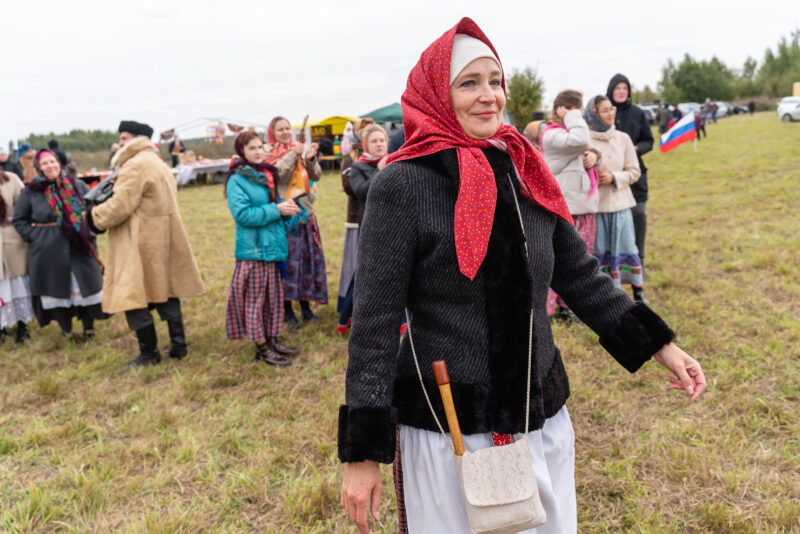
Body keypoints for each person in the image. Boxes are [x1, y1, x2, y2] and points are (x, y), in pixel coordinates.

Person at [339, 19, 706, 534]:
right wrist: (363, 452)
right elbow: (374, 325)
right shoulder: (402, 184)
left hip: (540, 418)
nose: (489, 96)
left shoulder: (524, 166)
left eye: (495, 80)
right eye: (469, 83)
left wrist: (660, 346)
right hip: (451, 431)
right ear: (435, 94)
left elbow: (579, 276)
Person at [87, 120, 205, 368]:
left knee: (134, 294)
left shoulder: (135, 165)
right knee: (166, 289)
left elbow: (120, 205)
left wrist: (93, 217)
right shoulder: (155, 162)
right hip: (162, 235)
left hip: (139, 240)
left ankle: (149, 353)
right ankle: (178, 345)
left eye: (123, 137)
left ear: (137, 138)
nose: (119, 143)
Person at [224, 131, 300, 366]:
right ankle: (261, 346)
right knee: (255, 302)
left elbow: (272, 207)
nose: (257, 152)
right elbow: (243, 215)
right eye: (251, 148)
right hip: (254, 250)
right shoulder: (237, 179)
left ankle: (271, 338)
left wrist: (288, 211)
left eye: (259, 147)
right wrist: (277, 210)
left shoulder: (267, 174)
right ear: (242, 152)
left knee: (273, 299)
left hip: (273, 246)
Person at [12, 150, 105, 339]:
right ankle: (66, 329)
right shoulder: (31, 192)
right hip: (48, 249)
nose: (50, 166)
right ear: (38, 167)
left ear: (59, 163)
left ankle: (89, 326)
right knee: (57, 290)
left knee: (84, 284)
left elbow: (93, 210)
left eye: (53, 161)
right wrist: (36, 236)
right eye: (45, 163)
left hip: (79, 244)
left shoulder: (77, 185)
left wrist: (91, 231)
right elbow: (19, 220)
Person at [540, 90, 600, 320]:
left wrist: (595, 155)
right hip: (568, 209)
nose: (580, 117)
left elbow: (586, 149)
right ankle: (548, 310)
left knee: (580, 261)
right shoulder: (552, 135)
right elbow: (580, 141)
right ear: (564, 111)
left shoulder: (568, 133)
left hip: (581, 207)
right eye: (577, 110)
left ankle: (568, 308)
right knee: (561, 261)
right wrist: (572, 116)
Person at [585, 95, 648, 304]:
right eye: (605, 110)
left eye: (611, 109)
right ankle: (605, 297)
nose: (611, 113)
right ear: (594, 114)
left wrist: (614, 178)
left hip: (621, 205)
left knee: (627, 247)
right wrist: (593, 176)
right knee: (600, 253)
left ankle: (638, 292)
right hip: (597, 207)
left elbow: (634, 171)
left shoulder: (623, 138)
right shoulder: (585, 140)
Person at [265, 116, 327, 328]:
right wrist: (294, 154)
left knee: (306, 264)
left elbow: (316, 176)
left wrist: (309, 159)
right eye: (280, 129)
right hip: (285, 219)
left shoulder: (298, 148)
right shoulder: (267, 153)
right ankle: (287, 311)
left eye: (287, 128)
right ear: (272, 132)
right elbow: (276, 175)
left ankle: (306, 306)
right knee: (289, 266)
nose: (285, 132)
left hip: (305, 215)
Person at [337, 124, 389, 334]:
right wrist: (379, 171)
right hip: (371, 228)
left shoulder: (396, 162)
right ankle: (347, 317)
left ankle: (397, 321)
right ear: (366, 144)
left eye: (382, 141)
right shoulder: (359, 167)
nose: (379, 145)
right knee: (365, 276)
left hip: (394, 226)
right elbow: (361, 192)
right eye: (374, 141)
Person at [607, 74, 653, 278]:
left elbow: (648, 140)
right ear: (611, 90)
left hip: (635, 174)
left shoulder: (637, 113)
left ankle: (639, 262)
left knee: (638, 215)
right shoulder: (604, 111)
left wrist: (635, 149)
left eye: (625, 88)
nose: (621, 92)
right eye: (618, 88)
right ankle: (612, 266)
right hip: (610, 176)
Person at [0, 168, 33, 344]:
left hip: (11, 237)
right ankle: (2, 327)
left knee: (17, 281)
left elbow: (24, 203)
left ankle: (22, 325)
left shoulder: (11, 179)